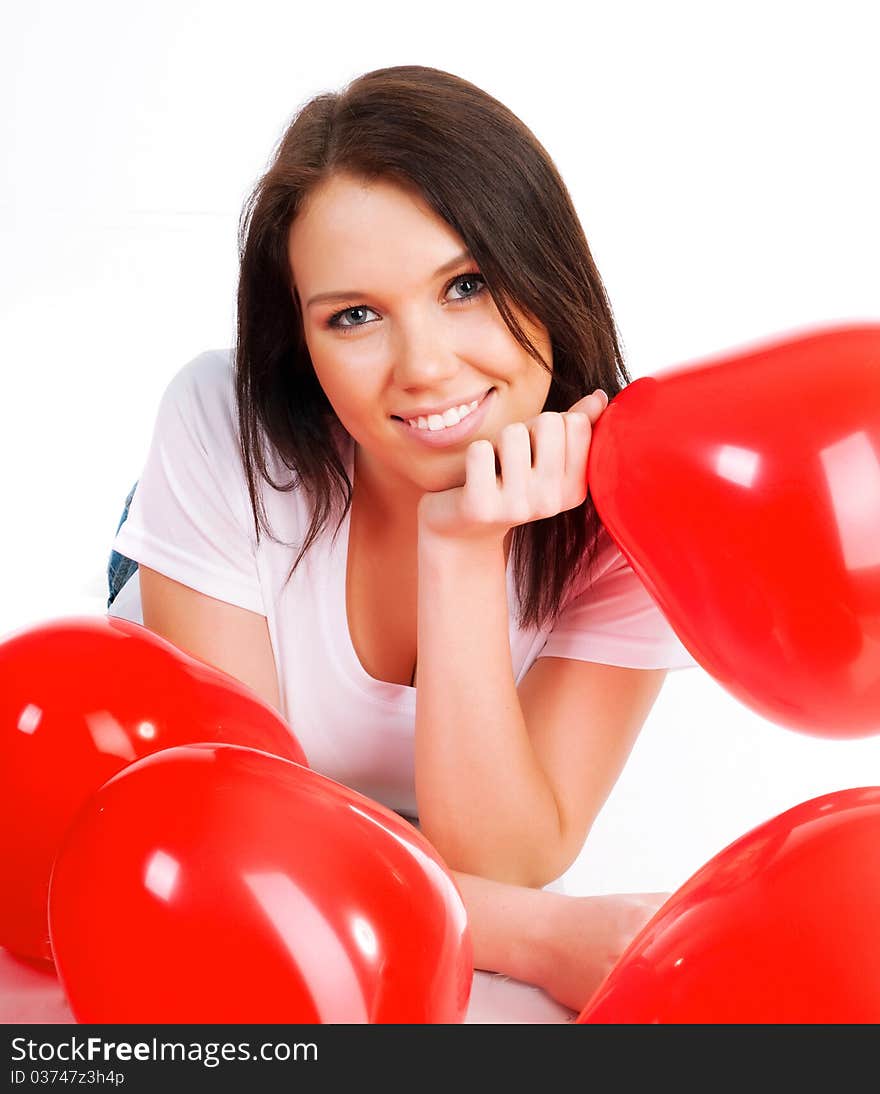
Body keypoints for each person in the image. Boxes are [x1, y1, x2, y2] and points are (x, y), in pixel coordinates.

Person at [106, 64, 697, 1016]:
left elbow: (502, 856)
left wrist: (461, 550)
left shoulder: (637, 507)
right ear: (301, 343)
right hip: (233, 544)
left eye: (465, 285)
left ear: (546, 271)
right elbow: (239, 847)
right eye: (355, 316)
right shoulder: (224, 420)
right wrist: (542, 933)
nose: (424, 368)